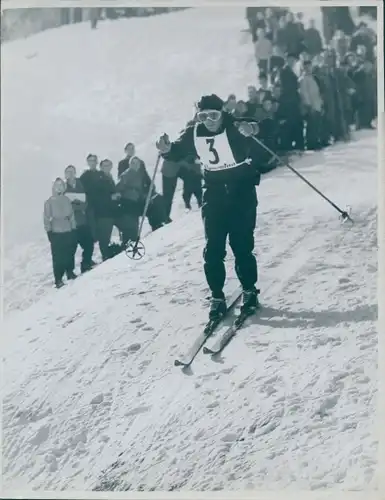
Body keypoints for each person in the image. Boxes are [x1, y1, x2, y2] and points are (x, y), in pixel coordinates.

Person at [156, 94, 263, 320]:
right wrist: (166, 149)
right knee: (213, 247)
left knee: (241, 243)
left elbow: (255, 125)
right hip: (214, 193)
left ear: (222, 112)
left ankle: (250, 290)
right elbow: (176, 150)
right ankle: (216, 295)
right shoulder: (195, 132)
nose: (209, 121)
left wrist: (251, 128)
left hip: (241, 191)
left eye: (213, 115)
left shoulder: (233, 126)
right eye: (203, 116)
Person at [44, 178, 77, 288]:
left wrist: (73, 228)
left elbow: (72, 215)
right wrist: (49, 231)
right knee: (58, 256)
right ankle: (58, 278)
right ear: (53, 187)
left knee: (69, 252)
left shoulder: (67, 200)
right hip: (56, 231)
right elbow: (46, 218)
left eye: (61, 185)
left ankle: (70, 272)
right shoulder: (49, 201)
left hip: (67, 229)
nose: (59, 187)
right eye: (57, 185)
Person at [64, 165, 95, 273]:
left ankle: (86, 264)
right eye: (68, 172)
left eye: (72, 172)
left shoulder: (80, 184)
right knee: (71, 249)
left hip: (82, 221)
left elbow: (85, 202)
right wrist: (78, 205)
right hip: (70, 224)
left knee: (89, 243)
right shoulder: (63, 187)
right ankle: (70, 272)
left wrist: (77, 205)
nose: (70, 174)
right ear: (65, 174)